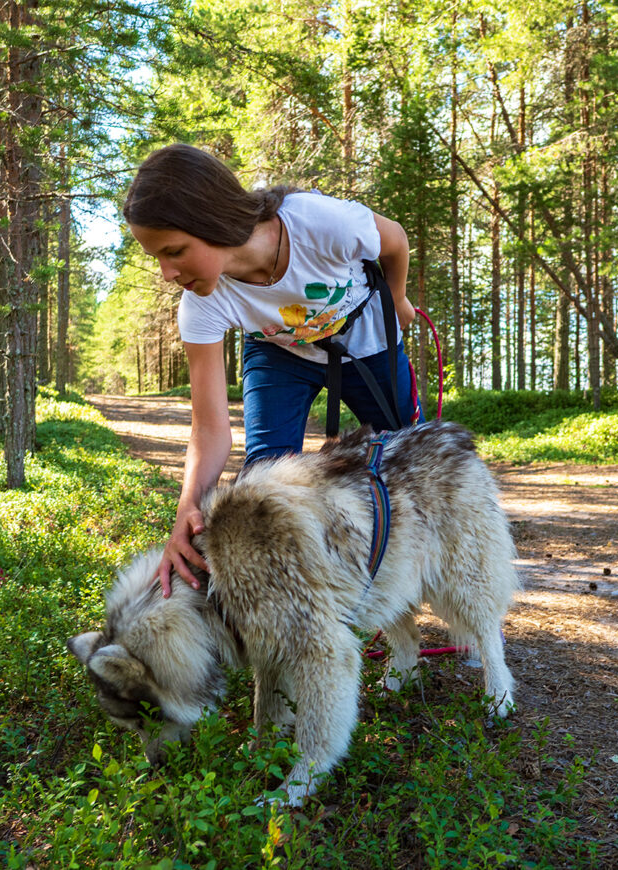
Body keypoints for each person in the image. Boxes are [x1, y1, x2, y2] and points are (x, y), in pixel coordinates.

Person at [123, 143, 422, 595]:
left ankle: (429, 583)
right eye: (157, 258)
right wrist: (187, 506)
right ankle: (299, 602)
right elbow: (208, 429)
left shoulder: (319, 223)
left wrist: (397, 301)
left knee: (409, 460)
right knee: (262, 481)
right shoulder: (201, 305)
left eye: (175, 251)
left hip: (367, 339)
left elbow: (394, 239)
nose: (167, 272)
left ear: (211, 221)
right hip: (279, 351)